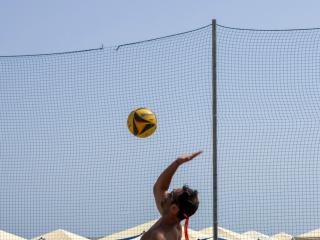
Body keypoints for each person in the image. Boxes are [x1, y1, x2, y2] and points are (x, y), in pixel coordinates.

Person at [140, 151, 202, 240]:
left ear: (174, 208)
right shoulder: (174, 225)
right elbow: (160, 187)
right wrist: (177, 163)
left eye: (171, 194)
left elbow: (160, 188)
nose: (167, 193)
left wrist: (177, 163)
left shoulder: (159, 236)